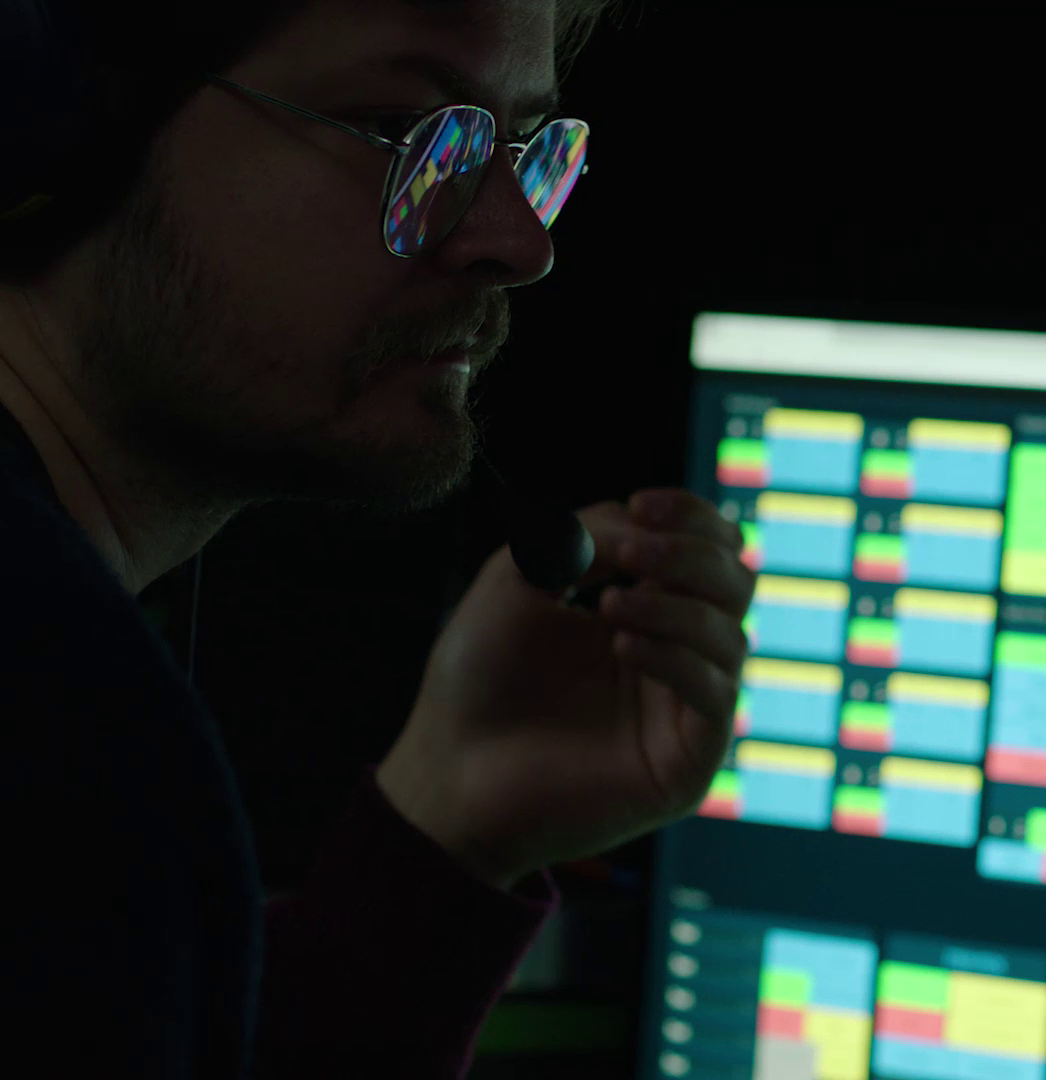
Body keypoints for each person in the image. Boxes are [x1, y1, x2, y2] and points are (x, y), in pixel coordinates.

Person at [0, 0, 754, 1075]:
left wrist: (454, 831)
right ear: (62, 128)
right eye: (413, 130)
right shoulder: (60, 721)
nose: (519, 243)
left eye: (529, 152)